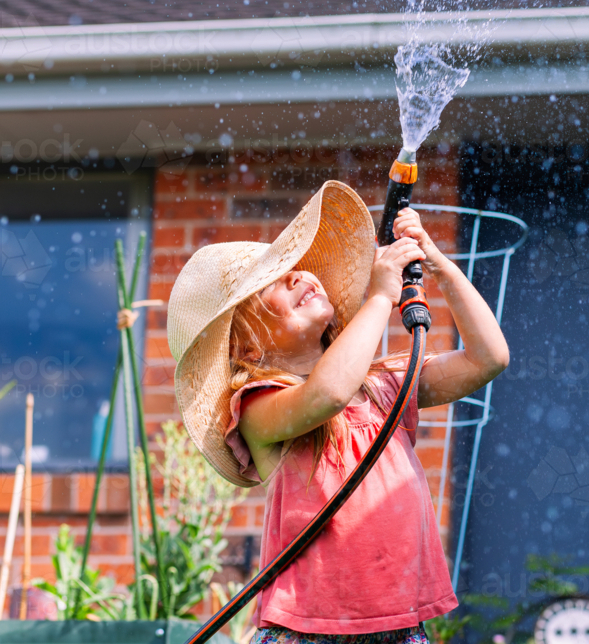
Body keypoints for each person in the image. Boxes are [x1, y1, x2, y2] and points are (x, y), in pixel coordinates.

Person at [166, 180, 509, 644]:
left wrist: (441, 267)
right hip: (310, 630)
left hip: (399, 624)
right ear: (247, 344)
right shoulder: (257, 405)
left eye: (299, 268)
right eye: (276, 280)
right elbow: (326, 395)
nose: (300, 276)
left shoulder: (385, 385)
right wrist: (379, 297)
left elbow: (488, 358)